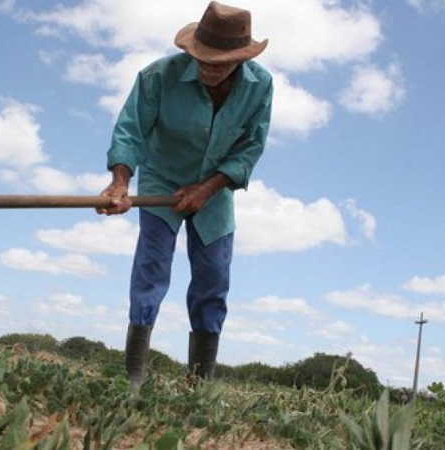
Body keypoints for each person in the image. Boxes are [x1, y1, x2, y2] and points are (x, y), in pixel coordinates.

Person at [97, 1, 273, 391]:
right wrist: (121, 183)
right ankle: (134, 376)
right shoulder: (158, 75)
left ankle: (198, 383)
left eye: (219, 64)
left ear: (239, 61)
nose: (208, 69)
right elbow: (131, 130)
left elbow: (250, 147)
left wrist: (207, 188)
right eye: (201, 60)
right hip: (162, 180)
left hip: (215, 187)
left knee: (213, 279)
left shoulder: (260, 86)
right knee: (151, 267)